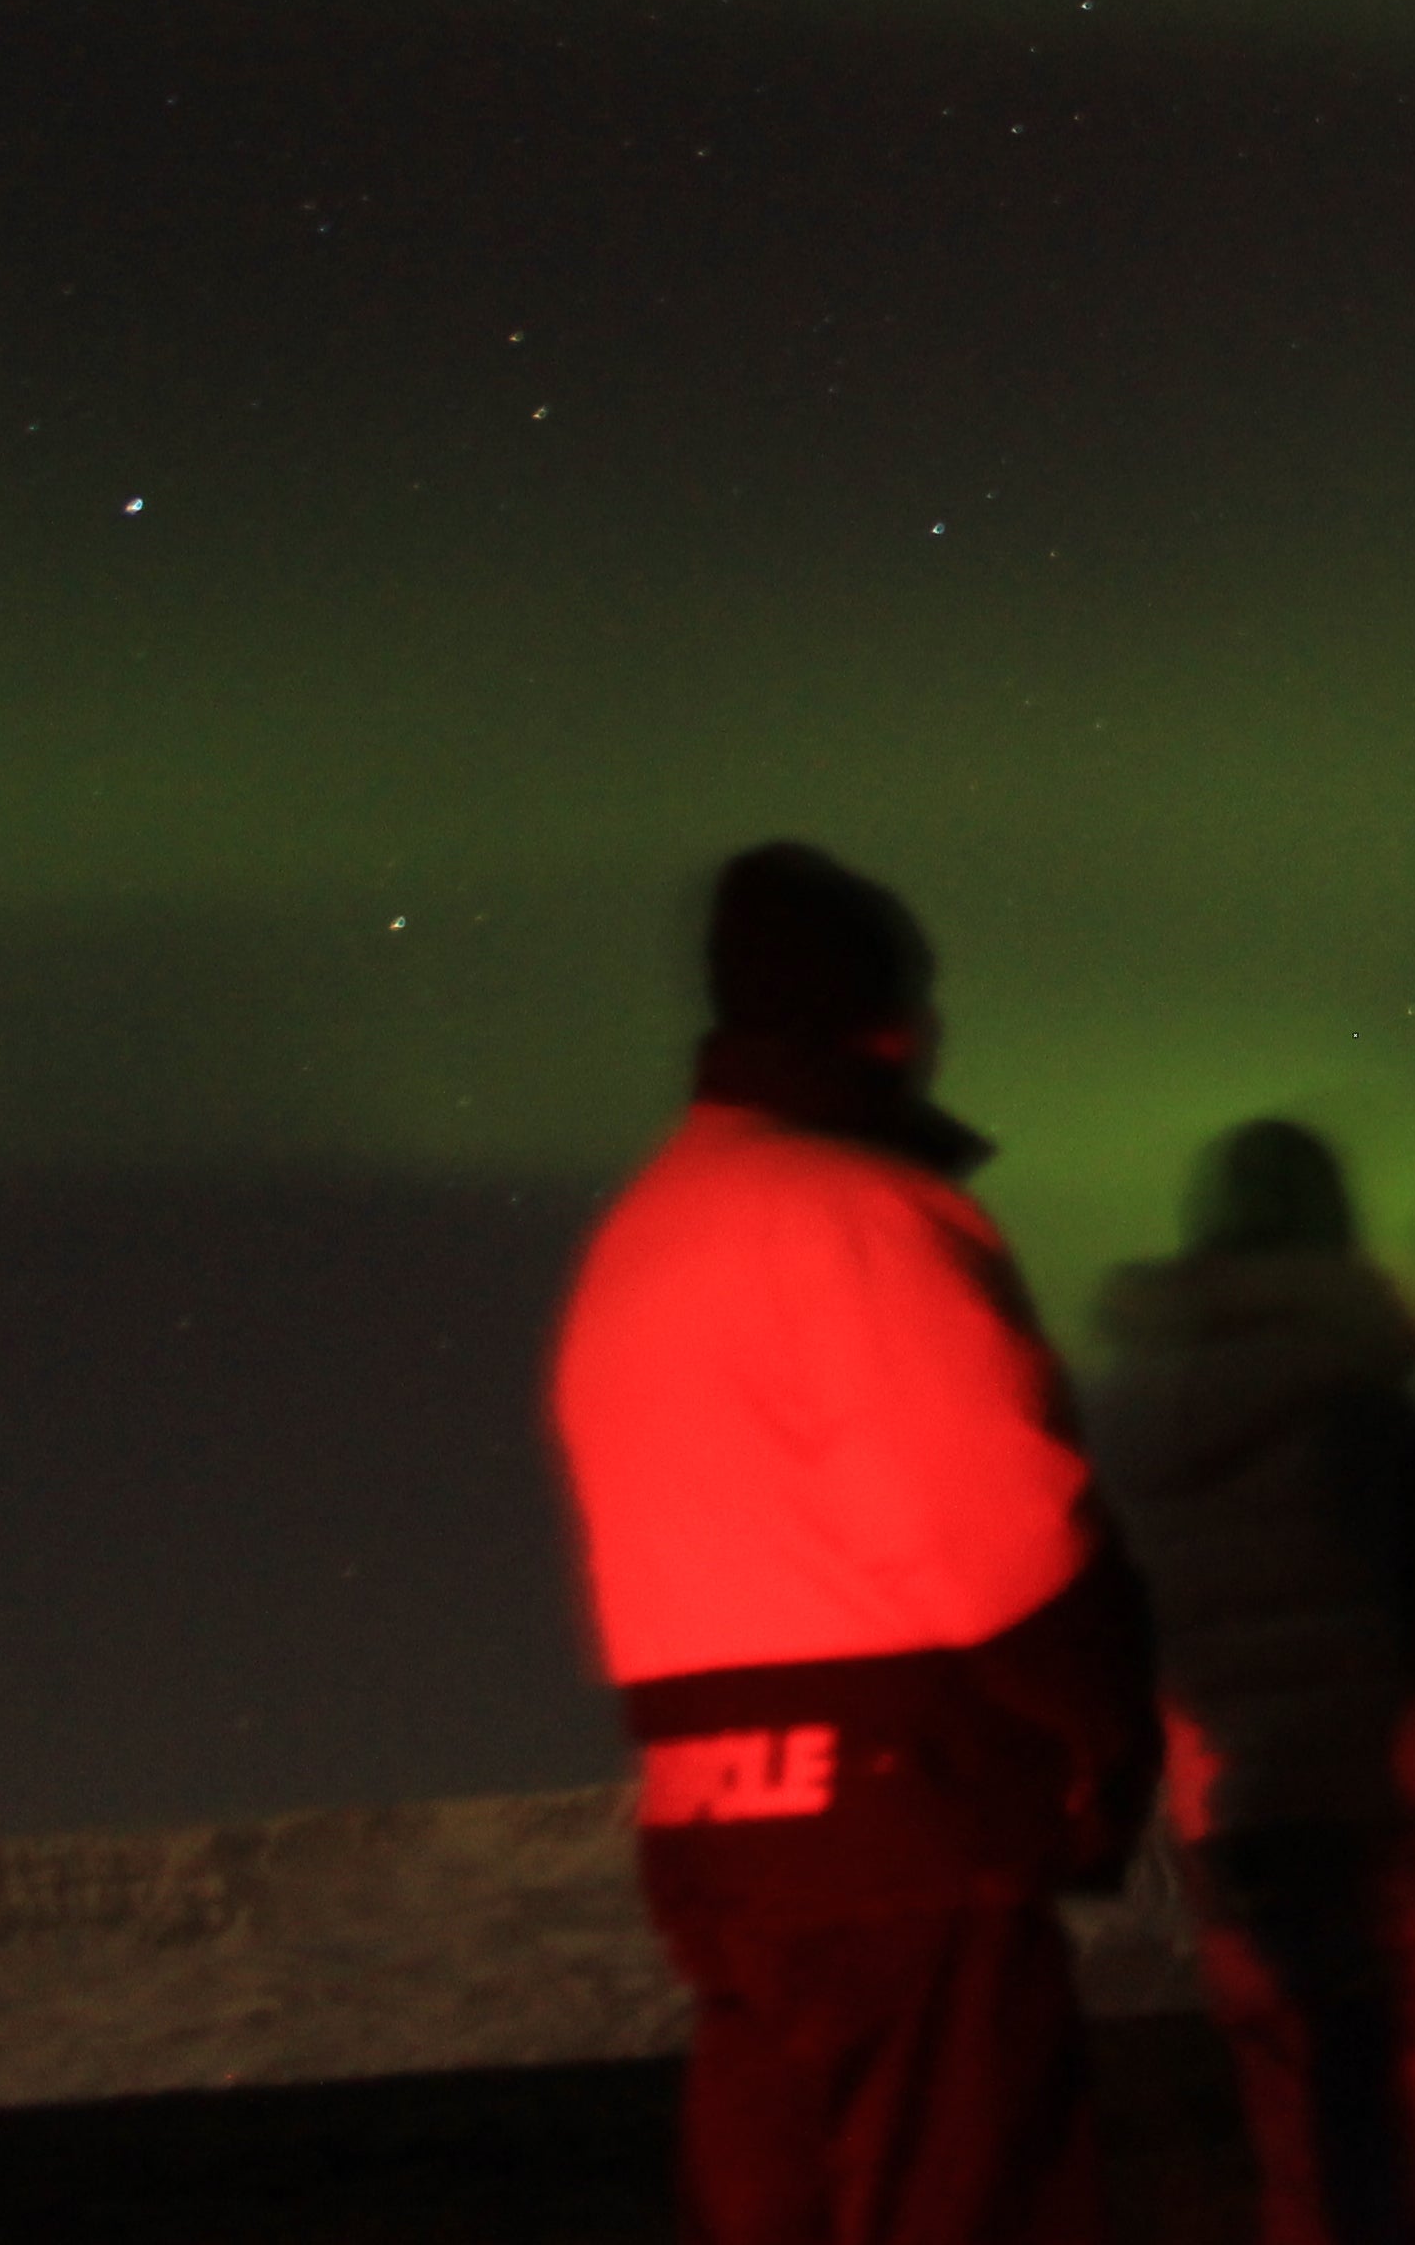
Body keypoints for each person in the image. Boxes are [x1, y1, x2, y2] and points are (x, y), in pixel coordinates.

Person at [550, 841, 1160, 2245]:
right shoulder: (859, 1214)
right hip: (903, 1844)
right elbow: (996, 1548)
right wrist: (1101, 1736)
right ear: (882, 1022)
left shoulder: (639, 1241)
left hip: (721, 1855)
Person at [1090, 1119, 1415, 2245]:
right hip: (1377, 1806)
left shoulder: (1132, 1426)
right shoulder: (1363, 1405)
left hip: (1223, 1811)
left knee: (1301, 2140)